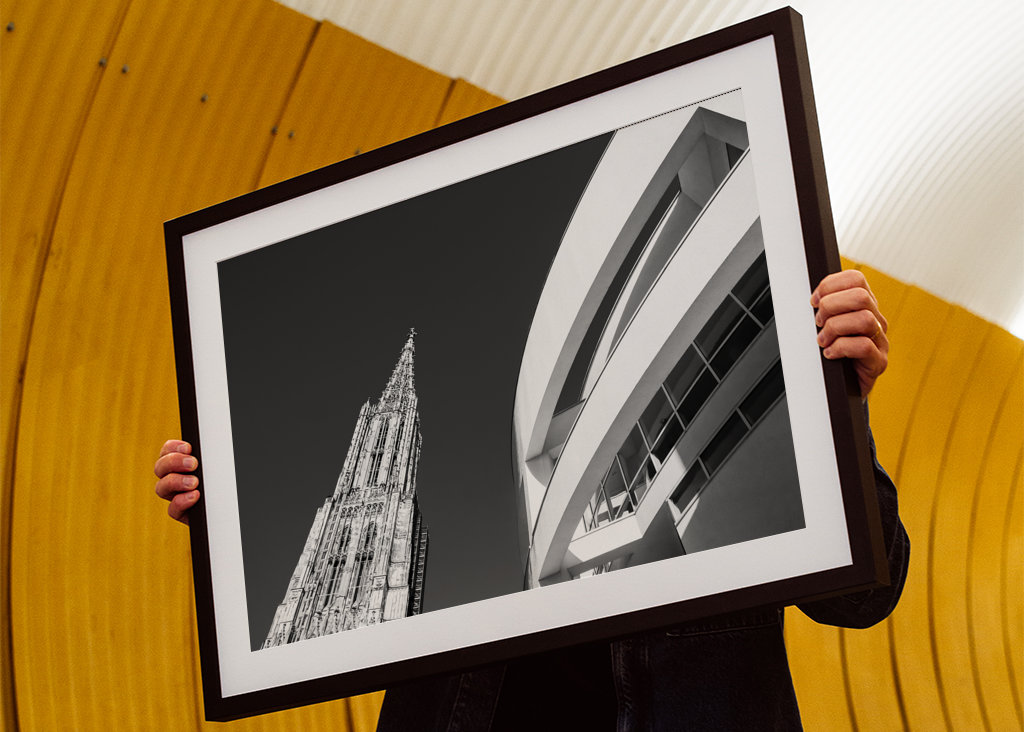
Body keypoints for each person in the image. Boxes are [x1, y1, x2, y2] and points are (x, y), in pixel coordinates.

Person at [155, 270, 908, 731]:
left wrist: (835, 405)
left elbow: (866, 594)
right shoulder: (455, 508)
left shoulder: (717, 441)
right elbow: (339, 625)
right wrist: (231, 512)